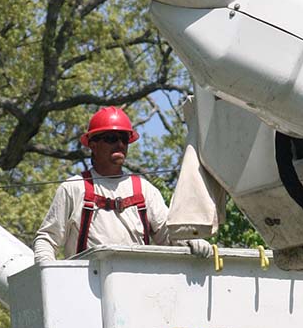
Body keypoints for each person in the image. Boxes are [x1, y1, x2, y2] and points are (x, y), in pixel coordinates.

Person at [33, 106, 212, 263]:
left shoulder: (144, 190)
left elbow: (170, 236)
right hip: (85, 290)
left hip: (135, 286)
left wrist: (190, 241)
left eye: (124, 139)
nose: (119, 144)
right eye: (111, 138)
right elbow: (47, 239)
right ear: (93, 145)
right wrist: (47, 272)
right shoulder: (74, 188)